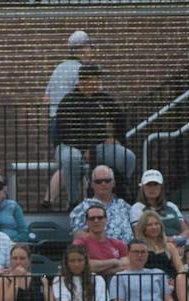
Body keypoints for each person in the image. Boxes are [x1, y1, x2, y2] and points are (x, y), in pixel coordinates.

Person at [54, 64, 134, 207]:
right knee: (71, 159)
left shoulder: (103, 99)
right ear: (83, 80)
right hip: (69, 146)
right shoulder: (68, 101)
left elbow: (119, 118)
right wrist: (84, 148)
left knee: (127, 157)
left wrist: (116, 139)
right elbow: (64, 131)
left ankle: (119, 190)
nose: (97, 83)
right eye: (94, 79)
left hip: (98, 145)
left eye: (98, 79)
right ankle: (74, 200)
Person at [42, 30, 92, 210]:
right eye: (88, 48)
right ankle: (85, 204)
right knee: (85, 162)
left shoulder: (58, 68)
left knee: (67, 162)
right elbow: (87, 97)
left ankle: (48, 201)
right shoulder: (81, 70)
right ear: (82, 49)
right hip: (74, 122)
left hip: (55, 121)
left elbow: (45, 99)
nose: (90, 52)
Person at [129, 169, 189, 249]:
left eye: (156, 184)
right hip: (157, 246)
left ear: (161, 187)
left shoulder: (171, 205)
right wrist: (167, 240)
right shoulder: (137, 208)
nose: (152, 188)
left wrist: (177, 239)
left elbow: (186, 231)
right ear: (142, 188)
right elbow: (139, 235)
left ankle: (186, 253)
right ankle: (186, 255)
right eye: (149, 185)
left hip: (179, 243)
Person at [71, 202, 127, 275]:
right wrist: (114, 261)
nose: (96, 221)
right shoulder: (79, 243)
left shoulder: (118, 244)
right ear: (86, 222)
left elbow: (126, 266)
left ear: (106, 220)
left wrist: (98, 270)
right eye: (92, 218)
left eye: (100, 218)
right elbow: (82, 266)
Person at [133, 210, 183, 278]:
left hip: (170, 281)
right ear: (143, 228)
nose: (154, 227)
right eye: (149, 225)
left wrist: (179, 279)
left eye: (157, 224)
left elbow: (180, 269)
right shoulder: (139, 247)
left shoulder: (169, 246)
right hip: (148, 282)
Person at [0, 174, 29, 242]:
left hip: (13, 245)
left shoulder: (13, 206)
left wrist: (11, 242)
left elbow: (23, 232)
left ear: (4, 191)